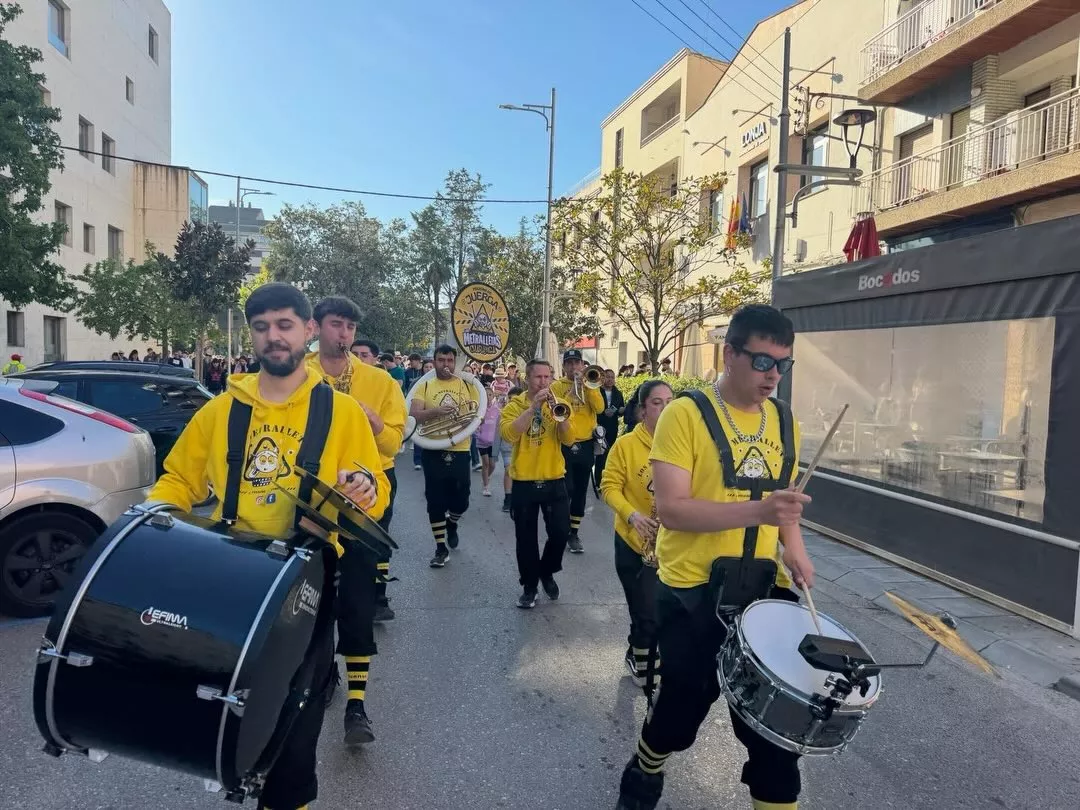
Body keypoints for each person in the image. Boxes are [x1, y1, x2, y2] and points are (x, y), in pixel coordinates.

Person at [147, 282, 388, 810]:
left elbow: (374, 485)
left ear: (308, 330)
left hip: (308, 581)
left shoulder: (342, 412)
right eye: (261, 327)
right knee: (231, 716)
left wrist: (365, 488)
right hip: (232, 574)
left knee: (295, 734)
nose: (273, 337)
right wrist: (155, 518)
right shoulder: (220, 410)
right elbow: (178, 480)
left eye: (284, 325)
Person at [614, 304, 814, 810]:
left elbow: (785, 503)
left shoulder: (785, 421)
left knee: (775, 737)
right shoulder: (683, 415)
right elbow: (673, 510)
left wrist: (795, 549)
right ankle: (644, 772)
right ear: (729, 354)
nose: (773, 376)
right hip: (691, 593)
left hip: (762, 596)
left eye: (783, 364)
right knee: (679, 714)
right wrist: (760, 511)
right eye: (762, 361)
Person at [307, 295, 406, 747]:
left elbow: (394, 444)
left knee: (358, 599)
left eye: (349, 326)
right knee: (312, 598)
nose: (344, 334)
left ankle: (357, 703)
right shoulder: (298, 376)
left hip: (364, 500)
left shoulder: (379, 381)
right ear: (316, 328)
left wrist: (373, 422)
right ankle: (322, 673)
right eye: (336, 324)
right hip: (312, 498)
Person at [600, 380, 672, 702]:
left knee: (659, 611)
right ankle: (642, 662)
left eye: (670, 401)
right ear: (643, 410)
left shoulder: (685, 444)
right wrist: (633, 516)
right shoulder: (625, 445)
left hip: (672, 546)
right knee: (644, 611)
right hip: (634, 542)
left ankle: (638, 649)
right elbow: (608, 487)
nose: (666, 408)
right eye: (657, 403)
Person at [499, 360, 574, 608]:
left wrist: (561, 418)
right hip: (524, 481)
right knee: (526, 539)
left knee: (561, 532)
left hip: (554, 478)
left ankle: (547, 571)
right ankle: (529, 586)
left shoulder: (559, 403)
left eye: (547, 377)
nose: (544, 382)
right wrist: (533, 408)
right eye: (538, 377)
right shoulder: (514, 405)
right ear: (527, 379)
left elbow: (569, 439)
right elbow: (508, 435)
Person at [409, 344, 479, 568]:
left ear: (455, 362)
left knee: (462, 500)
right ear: (434, 361)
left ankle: (452, 523)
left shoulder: (467, 384)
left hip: (460, 448)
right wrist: (436, 412)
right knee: (435, 500)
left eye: (449, 360)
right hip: (433, 449)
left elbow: (477, 414)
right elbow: (413, 415)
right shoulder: (424, 385)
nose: (445, 365)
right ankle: (440, 548)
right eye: (441, 360)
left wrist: (469, 421)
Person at [549, 349, 605, 553]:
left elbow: (599, 408)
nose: (573, 367)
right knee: (567, 488)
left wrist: (588, 388)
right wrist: (572, 392)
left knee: (580, 489)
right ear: (564, 366)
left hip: (586, 443)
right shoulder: (556, 386)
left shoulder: (591, 383)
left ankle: (573, 533)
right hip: (564, 443)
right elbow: (555, 411)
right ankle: (561, 525)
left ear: (582, 365)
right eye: (569, 363)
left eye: (577, 362)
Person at [594, 368, 625, 496]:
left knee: (610, 455)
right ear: (602, 378)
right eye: (607, 377)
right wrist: (602, 413)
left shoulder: (618, 393)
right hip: (599, 427)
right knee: (600, 454)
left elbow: (621, 407)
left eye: (612, 377)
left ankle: (608, 481)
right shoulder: (596, 392)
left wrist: (619, 411)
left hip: (612, 427)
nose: (610, 379)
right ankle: (598, 482)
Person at [412, 358, 435, 471]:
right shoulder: (416, 381)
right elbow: (410, 395)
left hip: (431, 412)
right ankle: (417, 460)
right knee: (419, 434)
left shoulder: (437, 381)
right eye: (426, 367)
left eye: (431, 367)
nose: (428, 369)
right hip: (419, 411)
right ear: (423, 368)